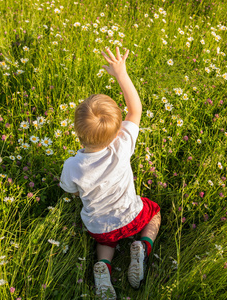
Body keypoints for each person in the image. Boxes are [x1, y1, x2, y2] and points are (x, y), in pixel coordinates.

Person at [59, 47, 161, 299]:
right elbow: (135, 109)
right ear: (117, 131)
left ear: (77, 131)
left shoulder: (72, 166)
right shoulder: (122, 144)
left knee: (105, 241)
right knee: (154, 212)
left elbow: (68, 189)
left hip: (99, 227)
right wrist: (121, 74)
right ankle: (142, 246)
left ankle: (103, 265)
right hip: (133, 217)